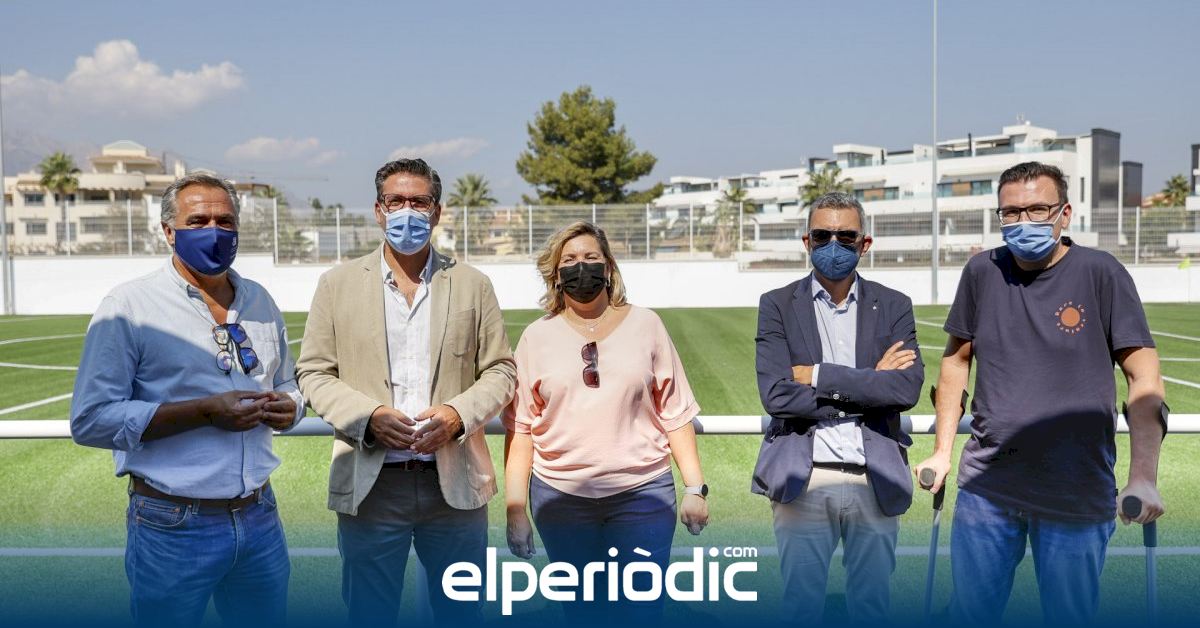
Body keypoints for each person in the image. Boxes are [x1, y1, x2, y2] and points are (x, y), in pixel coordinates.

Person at [914, 162, 1167, 625]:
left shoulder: (1102, 272)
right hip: (987, 487)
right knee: (971, 614)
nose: (1022, 221)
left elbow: (1144, 379)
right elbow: (955, 361)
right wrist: (943, 451)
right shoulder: (981, 271)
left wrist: (1143, 477)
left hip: (1075, 488)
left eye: (1036, 209)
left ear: (1064, 213)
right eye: (1010, 213)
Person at [70, 173, 303, 627]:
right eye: (198, 221)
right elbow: (91, 419)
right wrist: (203, 412)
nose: (214, 231)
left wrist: (291, 407)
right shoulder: (130, 306)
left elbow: (288, 382)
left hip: (259, 516)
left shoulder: (259, 300)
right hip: (172, 523)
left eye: (225, 221)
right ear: (169, 231)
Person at [296, 158, 516, 626]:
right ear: (379, 210)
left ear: (437, 212)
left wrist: (457, 415)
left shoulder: (473, 285)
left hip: (454, 484)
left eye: (419, 201)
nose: (407, 211)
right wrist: (368, 417)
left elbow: (501, 370)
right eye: (396, 201)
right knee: (370, 613)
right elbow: (314, 372)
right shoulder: (336, 285)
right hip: (372, 486)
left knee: (462, 614)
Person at [503, 221, 709, 624]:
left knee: (643, 612)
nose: (581, 267)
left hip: (644, 495)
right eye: (569, 260)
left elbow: (675, 412)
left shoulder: (647, 325)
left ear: (609, 267)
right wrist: (515, 509)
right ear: (556, 274)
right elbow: (521, 429)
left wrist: (694, 488)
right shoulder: (535, 337)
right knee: (582, 613)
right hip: (560, 499)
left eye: (590, 257)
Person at [752, 192, 924, 624]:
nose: (833, 244)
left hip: (874, 475)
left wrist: (817, 375)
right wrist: (870, 381)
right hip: (805, 477)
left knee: (872, 608)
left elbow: (905, 389)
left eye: (845, 236)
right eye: (822, 235)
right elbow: (776, 395)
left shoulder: (894, 305)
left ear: (865, 243)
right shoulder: (777, 304)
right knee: (801, 608)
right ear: (806, 241)